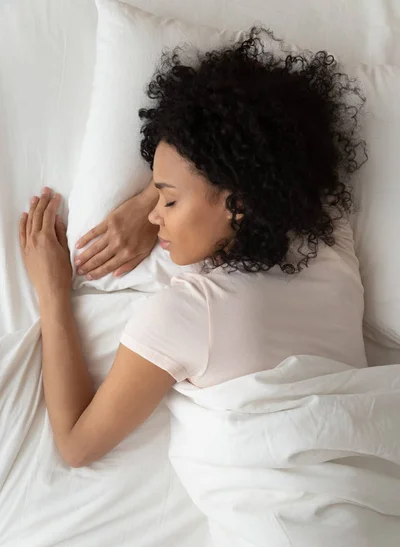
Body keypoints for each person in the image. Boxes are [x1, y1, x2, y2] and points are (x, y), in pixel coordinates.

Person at [19, 28, 367, 468]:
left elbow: (75, 445)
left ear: (238, 203)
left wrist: (52, 293)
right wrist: (161, 197)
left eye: (168, 199)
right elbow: (249, 159)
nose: (152, 216)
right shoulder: (331, 241)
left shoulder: (191, 312)